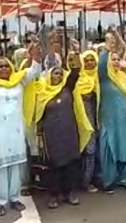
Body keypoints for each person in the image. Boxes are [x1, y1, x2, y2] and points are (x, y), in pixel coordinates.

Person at [0, 45, 42, 217]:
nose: (3, 69)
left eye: (6, 66)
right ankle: (0, 201)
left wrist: (35, 53)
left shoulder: (18, 81)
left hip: (15, 132)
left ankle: (14, 198)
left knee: (15, 166)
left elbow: (34, 70)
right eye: (0, 66)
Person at [34, 57, 94, 209]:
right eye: (55, 74)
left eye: (61, 74)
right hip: (51, 134)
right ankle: (54, 196)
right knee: (54, 165)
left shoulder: (67, 89)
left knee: (71, 163)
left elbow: (74, 73)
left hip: (69, 132)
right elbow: (39, 116)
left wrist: (74, 58)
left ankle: (70, 193)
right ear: (49, 76)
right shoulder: (43, 93)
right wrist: (39, 137)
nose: (58, 77)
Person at [98, 28, 126, 193]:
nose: (116, 62)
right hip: (110, 120)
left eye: (118, 60)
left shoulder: (124, 77)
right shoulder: (104, 77)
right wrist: (108, 46)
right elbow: (102, 62)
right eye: (113, 60)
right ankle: (109, 181)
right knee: (110, 147)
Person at [78, 49, 101, 193]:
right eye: (86, 60)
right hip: (83, 121)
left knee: (96, 151)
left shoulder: (100, 76)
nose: (89, 63)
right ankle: (85, 182)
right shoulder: (79, 78)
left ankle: (93, 179)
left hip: (98, 119)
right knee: (88, 151)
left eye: (92, 59)